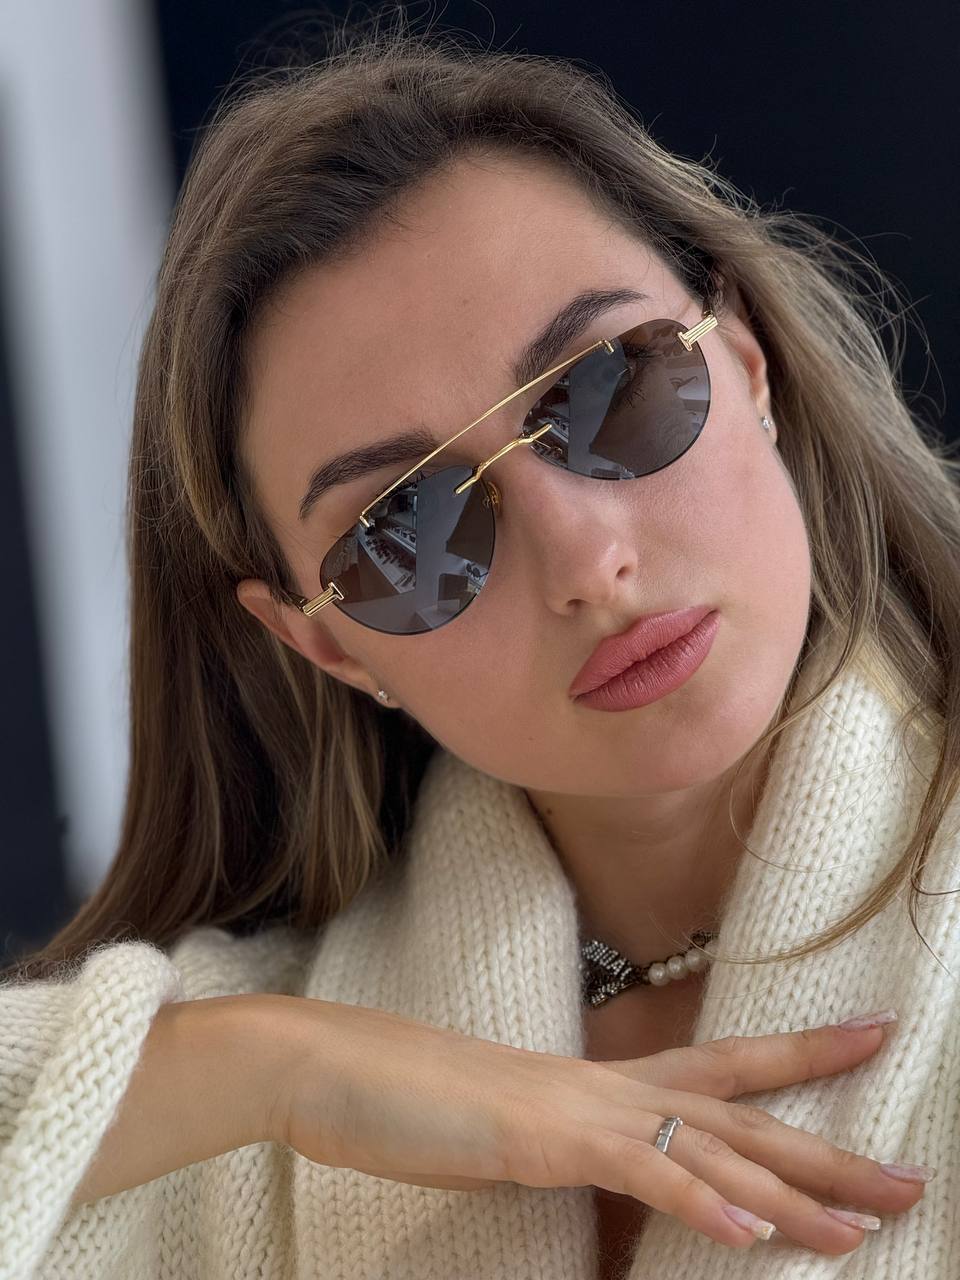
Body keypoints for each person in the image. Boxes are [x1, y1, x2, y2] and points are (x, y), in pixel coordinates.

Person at [2, 14, 958, 1280]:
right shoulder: (233, 1115)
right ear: (327, 646)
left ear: (746, 363)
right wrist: (269, 1067)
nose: (584, 559)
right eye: (408, 530)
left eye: (613, 388)